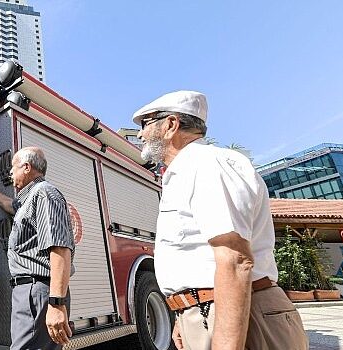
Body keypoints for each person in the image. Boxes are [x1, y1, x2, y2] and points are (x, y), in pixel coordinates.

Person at [132, 91, 308, 350]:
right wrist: (184, 315)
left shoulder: (206, 165)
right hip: (209, 312)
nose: (139, 134)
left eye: (145, 124)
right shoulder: (184, 172)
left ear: (171, 124)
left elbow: (235, 260)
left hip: (239, 314)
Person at [0, 147, 75, 350]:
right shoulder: (27, 199)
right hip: (31, 292)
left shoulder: (44, 194)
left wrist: (56, 304)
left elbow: (60, 249)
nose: (10, 173)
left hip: (38, 292)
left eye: (13, 167)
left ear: (27, 167)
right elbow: (10, 205)